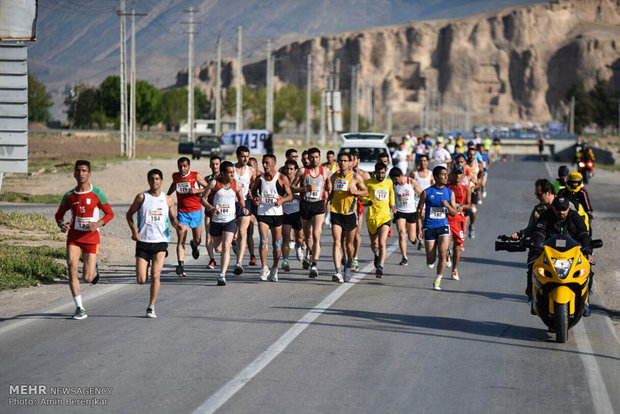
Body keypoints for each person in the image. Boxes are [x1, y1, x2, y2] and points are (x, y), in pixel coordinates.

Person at [55, 160, 115, 320]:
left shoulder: (97, 193)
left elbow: (110, 213)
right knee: (71, 268)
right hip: (74, 237)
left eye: (84, 171)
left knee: (87, 278)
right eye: (78, 171)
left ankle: (94, 269)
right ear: (74, 173)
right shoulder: (69, 196)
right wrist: (62, 224)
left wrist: (98, 224)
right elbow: (58, 215)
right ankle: (79, 307)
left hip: (91, 238)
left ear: (89, 173)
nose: (81, 173)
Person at [126, 169, 180, 318]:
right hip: (143, 241)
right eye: (152, 179)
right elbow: (129, 214)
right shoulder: (142, 197)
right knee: (141, 280)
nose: (154, 181)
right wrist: (134, 231)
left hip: (160, 241)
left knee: (156, 276)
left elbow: (173, 218)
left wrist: (177, 225)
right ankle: (146, 270)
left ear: (161, 181)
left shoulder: (168, 199)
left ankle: (151, 306)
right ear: (148, 181)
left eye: (157, 179)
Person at [529, 196, 593, 315]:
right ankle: (533, 297)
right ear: (553, 208)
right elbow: (538, 234)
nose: (561, 212)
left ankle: (586, 300)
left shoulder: (575, 217)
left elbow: (584, 234)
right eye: (558, 209)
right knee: (533, 266)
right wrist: (535, 250)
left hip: (572, 256)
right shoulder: (545, 217)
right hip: (549, 255)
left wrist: (587, 251)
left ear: (568, 208)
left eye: (564, 209)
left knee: (587, 268)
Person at [201, 161, 248, 286]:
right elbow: (202, 199)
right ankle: (225, 252)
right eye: (230, 172)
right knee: (218, 248)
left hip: (230, 220)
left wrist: (243, 207)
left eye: (233, 172)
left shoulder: (237, 185)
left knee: (226, 246)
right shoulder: (214, 184)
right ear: (222, 173)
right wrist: (211, 208)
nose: (233, 174)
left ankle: (222, 275)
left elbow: (241, 199)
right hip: (216, 221)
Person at [509, 179, 555, 302]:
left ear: (549, 192)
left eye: (539, 194)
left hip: (561, 247)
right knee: (532, 263)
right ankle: (531, 294)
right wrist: (520, 235)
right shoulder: (538, 209)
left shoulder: (564, 206)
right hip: (541, 245)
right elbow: (531, 228)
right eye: (536, 194)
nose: (537, 197)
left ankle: (584, 299)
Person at [291, 147, 332, 278]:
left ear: (320, 158)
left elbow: (329, 187)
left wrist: (327, 194)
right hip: (305, 205)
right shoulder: (303, 171)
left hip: (318, 205)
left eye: (316, 157)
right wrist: (305, 188)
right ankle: (309, 253)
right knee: (307, 237)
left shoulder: (325, 171)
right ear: (308, 158)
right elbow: (292, 187)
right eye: (312, 157)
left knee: (316, 235)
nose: (314, 160)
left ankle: (314, 265)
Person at [251, 154, 293, 282]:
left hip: (277, 214)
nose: (265, 165)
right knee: (263, 240)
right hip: (263, 213)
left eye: (267, 163)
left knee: (276, 243)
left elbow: (290, 196)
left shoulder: (281, 178)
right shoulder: (259, 178)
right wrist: (256, 198)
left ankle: (274, 268)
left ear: (274, 163)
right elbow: (253, 192)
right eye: (263, 163)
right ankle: (264, 268)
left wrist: (281, 201)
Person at [329, 152, 368, 283]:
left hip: (350, 214)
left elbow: (367, 192)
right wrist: (326, 200)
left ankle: (349, 265)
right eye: (340, 160)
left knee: (349, 245)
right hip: (336, 213)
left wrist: (356, 192)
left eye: (345, 161)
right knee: (337, 243)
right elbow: (331, 192)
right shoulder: (334, 176)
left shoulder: (355, 177)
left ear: (350, 163)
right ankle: (338, 272)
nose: (342, 163)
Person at [416, 166, 457, 291]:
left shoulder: (450, 193)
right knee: (431, 260)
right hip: (429, 227)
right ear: (435, 177)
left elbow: (454, 213)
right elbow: (418, 210)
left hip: (443, 226)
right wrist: (419, 229)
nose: (446, 177)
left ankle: (438, 280)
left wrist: (448, 205)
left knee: (442, 252)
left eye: (446, 174)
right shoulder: (427, 192)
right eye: (443, 175)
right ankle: (444, 254)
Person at [167, 157, 208, 277]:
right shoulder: (175, 176)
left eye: (185, 166)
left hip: (196, 211)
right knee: (181, 239)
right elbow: (174, 185)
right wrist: (167, 195)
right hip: (182, 212)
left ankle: (194, 245)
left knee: (198, 239)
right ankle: (180, 265)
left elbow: (208, 187)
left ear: (189, 166)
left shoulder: (196, 176)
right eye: (180, 166)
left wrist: (196, 191)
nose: (182, 168)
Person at [364, 162, 396, 278]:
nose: (381, 175)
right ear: (375, 172)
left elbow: (391, 195)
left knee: (382, 242)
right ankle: (376, 255)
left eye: (383, 173)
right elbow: (363, 195)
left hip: (385, 217)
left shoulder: (389, 182)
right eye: (379, 173)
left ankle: (381, 266)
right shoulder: (369, 183)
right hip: (372, 217)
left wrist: (392, 205)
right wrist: (367, 200)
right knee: (374, 244)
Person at [232, 146, 257, 275]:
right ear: (237, 156)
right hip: (230, 203)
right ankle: (234, 244)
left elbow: (255, 185)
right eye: (243, 156)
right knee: (233, 236)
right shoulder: (231, 169)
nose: (245, 159)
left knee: (243, 233)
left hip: (245, 203)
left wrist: (254, 196)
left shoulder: (251, 170)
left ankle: (239, 263)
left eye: (247, 156)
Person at [391, 167, 421, 266]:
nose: (395, 181)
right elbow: (390, 197)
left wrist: (417, 193)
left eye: (396, 179)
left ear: (401, 176)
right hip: (400, 212)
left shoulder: (411, 182)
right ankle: (404, 257)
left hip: (411, 212)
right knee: (401, 233)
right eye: (393, 180)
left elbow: (422, 192)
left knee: (412, 238)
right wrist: (392, 206)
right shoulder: (393, 185)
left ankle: (414, 240)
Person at [446, 165, 471, 280]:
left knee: (457, 246)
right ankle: (446, 253)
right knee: (445, 241)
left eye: (460, 173)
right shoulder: (446, 187)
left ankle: (454, 270)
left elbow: (469, 205)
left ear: (463, 175)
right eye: (455, 173)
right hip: (446, 217)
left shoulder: (466, 188)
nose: (457, 175)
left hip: (459, 219)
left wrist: (461, 207)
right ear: (451, 174)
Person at [281, 160, 304, 272]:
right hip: (285, 212)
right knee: (285, 236)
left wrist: (295, 196)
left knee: (300, 238)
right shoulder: (281, 181)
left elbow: (304, 197)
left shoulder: (300, 182)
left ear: (296, 170)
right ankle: (285, 260)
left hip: (298, 212)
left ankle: (298, 247)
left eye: (291, 169)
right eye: (287, 169)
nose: (289, 171)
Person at [351, 149, 371, 272]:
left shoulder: (364, 175)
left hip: (358, 205)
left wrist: (358, 193)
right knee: (345, 236)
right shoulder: (342, 174)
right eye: (350, 159)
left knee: (356, 234)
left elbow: (369, 193)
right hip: (344, 207)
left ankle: (355, 258)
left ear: (358, 160)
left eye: (353, 159)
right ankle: (348, 255)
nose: (351, 161)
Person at [412, 154, 434, 249]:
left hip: (427, 201)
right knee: (418, 220)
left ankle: (424, 239)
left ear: (427, 162)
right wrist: (413, 192)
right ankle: (420, 240)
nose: (423, 162)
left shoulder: (431, 174)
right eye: (421, 161)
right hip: (416, 201)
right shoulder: (414, 173)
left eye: (425, 161)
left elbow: (433, 187)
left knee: (425, 222)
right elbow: (410, 184)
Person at [205, 155, 221, 270]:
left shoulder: (224, 177)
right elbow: (203, 191)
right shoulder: (207, 178)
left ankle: (230, 243)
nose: (215, 166)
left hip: (223, 210)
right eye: (213, 164)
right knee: (208, 234)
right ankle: (212, 260)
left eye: (217, 164)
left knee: (219, 246)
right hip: (209, 209)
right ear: (210, 165)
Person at [464, 147, 482, 238]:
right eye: (470, 154)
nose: (471, 156)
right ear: (467, 155)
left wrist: (475, 186)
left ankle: (472, 226)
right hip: (463, 190)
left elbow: (480, 178)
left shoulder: (477, 165)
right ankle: (461, 231)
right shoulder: (463, 165)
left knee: (473, 209)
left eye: (473, 155)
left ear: (475, 156)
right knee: (464, 212)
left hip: (472, 190)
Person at [246, 157, 260, 266]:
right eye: (248, 165)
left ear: (256, 166)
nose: (250, 168)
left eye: (252, 165)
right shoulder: (245, 175)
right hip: (250, 205)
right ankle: (252, 256)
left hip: (262, 206)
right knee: (249, 229)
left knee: (263, 231)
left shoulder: (262, 176)